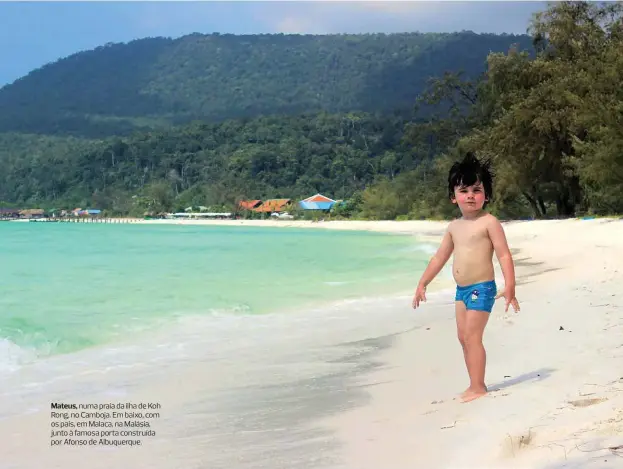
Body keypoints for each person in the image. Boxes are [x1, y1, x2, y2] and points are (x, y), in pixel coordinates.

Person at [412, 152, 520, 403]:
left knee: (472, 336)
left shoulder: (489, 222)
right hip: (461, 290)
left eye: (476, 190)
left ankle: (479, 386)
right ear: (453, 197)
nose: (470, 195)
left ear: (486, 195)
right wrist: (422, 282)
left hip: (482, 288)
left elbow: (504, 255)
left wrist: (510, 285)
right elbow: (439, 257)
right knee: (462, 337)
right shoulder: (454, 226)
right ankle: (473, 383)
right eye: (464, 190)